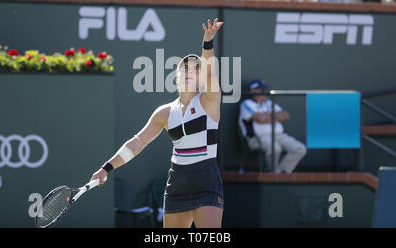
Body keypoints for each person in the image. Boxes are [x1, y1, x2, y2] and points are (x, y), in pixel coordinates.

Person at [90, 18, 225, 228]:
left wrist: (207, 43)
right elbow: (137, 143)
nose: (190, 72)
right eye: (185, 69)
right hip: (177, 185)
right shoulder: (164, 113)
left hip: (206, 182)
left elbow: (209, 70)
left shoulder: (210, 100)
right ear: (176, 77)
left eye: (195, 69)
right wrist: (106, 168)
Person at [238, 78, 307, 173]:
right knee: (275, 148)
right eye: (262, 90)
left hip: (279, 136)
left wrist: (268, 114)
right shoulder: (247, 104)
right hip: (257, 138)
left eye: (265, 90)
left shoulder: (269, 103)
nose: (265, 92)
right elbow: (260, 119)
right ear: (253, 91)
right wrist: (275, 116)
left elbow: (285, 116)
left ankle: (282, 172)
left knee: (300, 149)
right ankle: (274, 172)